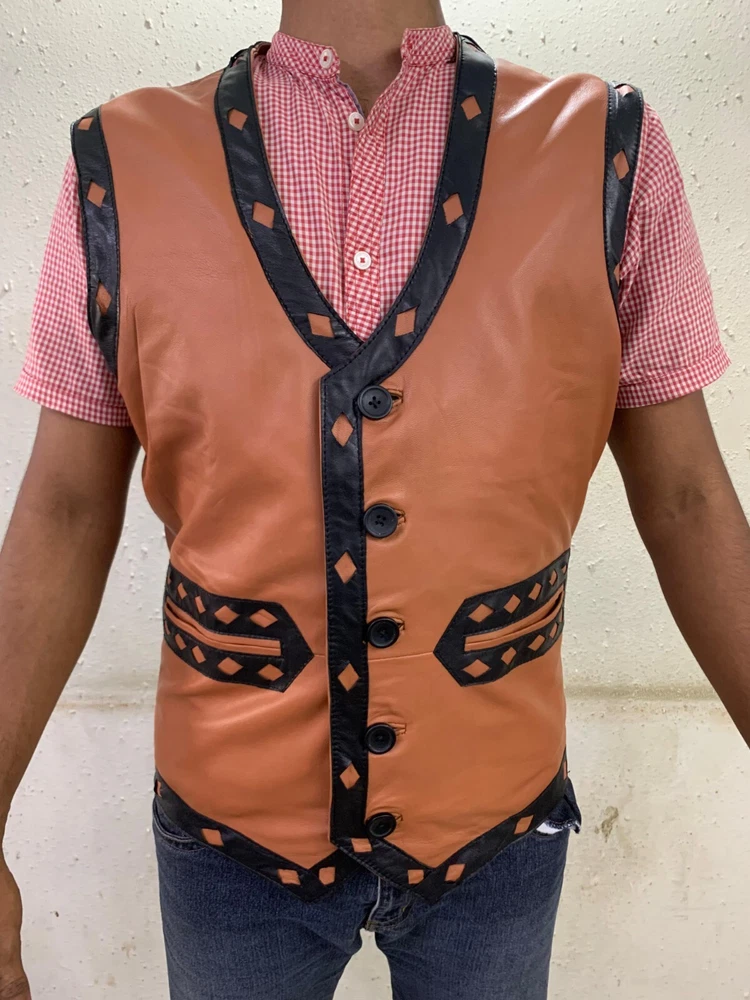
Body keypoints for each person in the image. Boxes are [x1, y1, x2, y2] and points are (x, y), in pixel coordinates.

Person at [0, 0, 746, 997]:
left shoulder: (607, 150)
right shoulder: (120, 161)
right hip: (229, 833)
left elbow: (688, 495)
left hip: (498, 821)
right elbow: (62, 506)